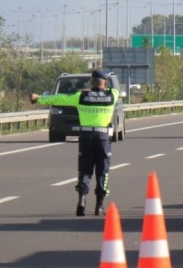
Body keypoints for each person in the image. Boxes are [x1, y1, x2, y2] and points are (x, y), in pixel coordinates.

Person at [30, 70, 118, 217]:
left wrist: (38, 98)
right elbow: (113, 89)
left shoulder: (81, 96)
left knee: (84, 169)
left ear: (91, 82)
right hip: (103, 137)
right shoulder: (112, 95)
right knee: (103, 171)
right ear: (105, 83)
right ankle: (100, 205)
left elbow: (58, 98)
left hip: (85, 136)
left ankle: (82, 198)